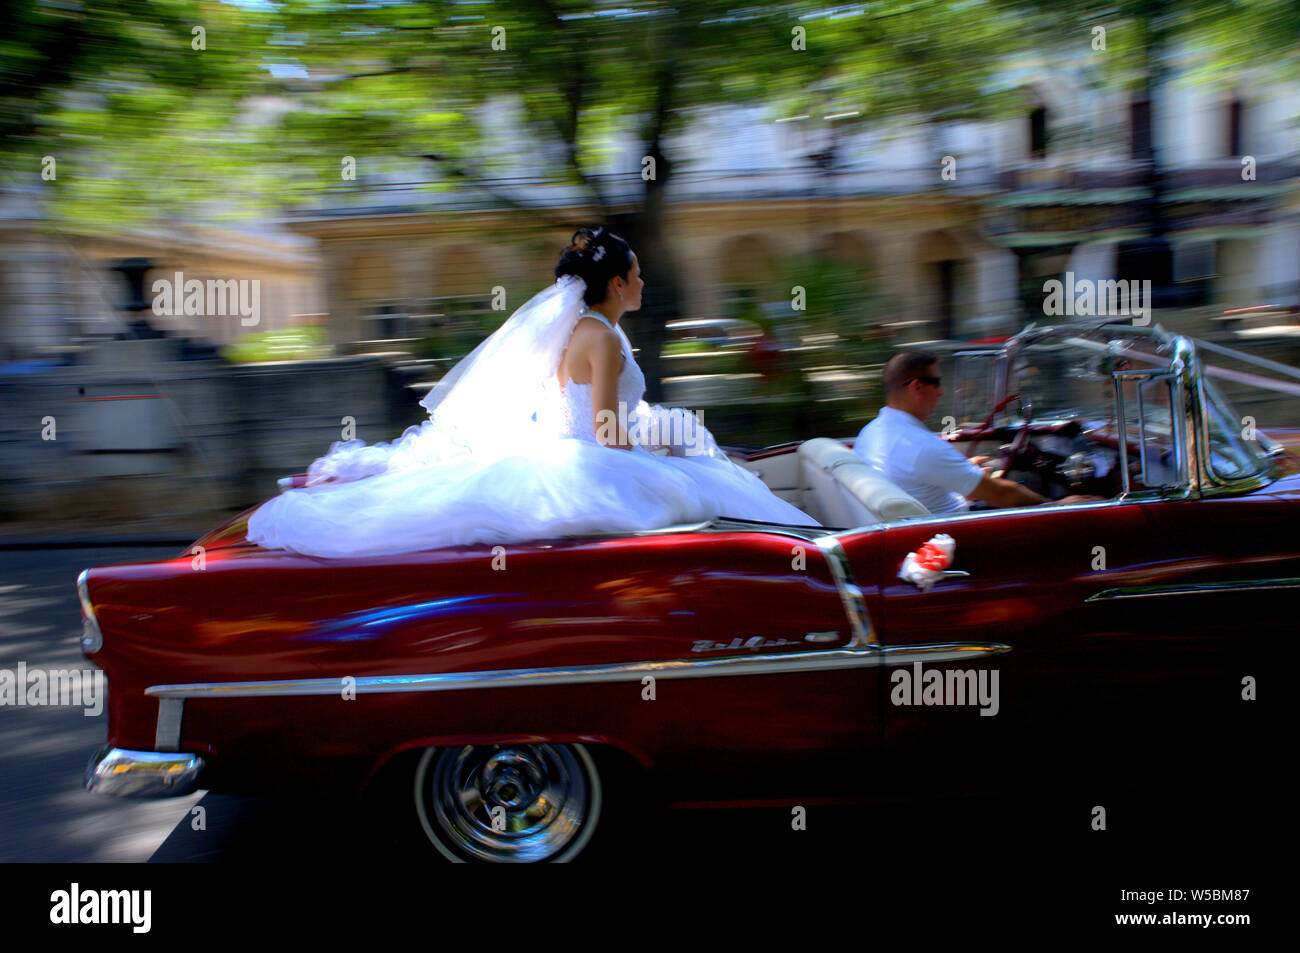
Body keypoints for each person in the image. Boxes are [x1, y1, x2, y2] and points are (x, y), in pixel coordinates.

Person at [246, 226, 818, 557]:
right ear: (617, 284)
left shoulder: (581, 328)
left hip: (566, 449)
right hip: (590, 461)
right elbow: (604, 432)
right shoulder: (605, 338)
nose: (643, 282)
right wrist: (659, 453)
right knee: (705, 486)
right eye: (637, 275)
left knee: (707, 472)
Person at [854, 351, 1098, 513]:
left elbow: (915, 477)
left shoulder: (870, 432)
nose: (941, 392)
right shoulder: (920, 445)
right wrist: (1058, 505)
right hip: (957, 534)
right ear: (917, 386)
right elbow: (1001, 495)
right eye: (936, 383)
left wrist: (964, 471)